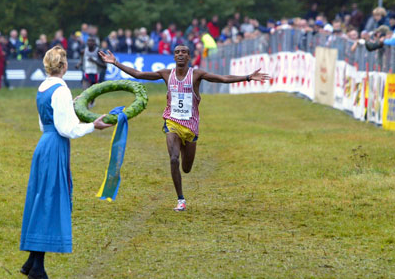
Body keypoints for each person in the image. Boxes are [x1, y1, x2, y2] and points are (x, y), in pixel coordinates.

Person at [98, 45, 269, 211]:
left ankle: (182, 181)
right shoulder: (166, 74)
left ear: (189, 57)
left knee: (186, 168)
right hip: (172, 122)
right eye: (177, 52)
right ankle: (181, 199)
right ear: (174, 57)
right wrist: (115, 62)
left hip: (191, 126)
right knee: (173, 158)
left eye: (184, 52)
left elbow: (223, 79)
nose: (180, 54)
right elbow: (138, 73)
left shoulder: (196, 75)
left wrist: (247, 77)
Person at [19, 46, 112, 279]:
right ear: (64, 66)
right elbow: (67, 128)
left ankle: (32, 261)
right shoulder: (61, 89)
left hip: (44, 144)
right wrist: (93, 125)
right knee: (49, 201)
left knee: (41, 199)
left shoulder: (43, 87)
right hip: (55, 147)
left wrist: (71, 106)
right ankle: (37, 268)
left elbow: (46, 123)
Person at [76, 37, 106, 107]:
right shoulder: (83, 51)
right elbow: (82, 60)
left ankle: (92, 102)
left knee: (92, 93)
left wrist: (94, 61)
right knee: (85, 91)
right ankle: (85, 106)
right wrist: (78, 64)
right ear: (87, 43)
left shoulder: (98, 52)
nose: (90, 43)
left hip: (95, 75)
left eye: (92, 41)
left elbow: (104, 66)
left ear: (95, 43)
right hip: (86, 74)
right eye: (89, 41)